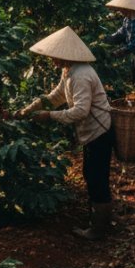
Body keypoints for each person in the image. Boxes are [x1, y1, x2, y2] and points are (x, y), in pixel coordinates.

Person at [16, 26, 115, 240]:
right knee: (91, 175)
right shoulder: (69, 70)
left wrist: (49, 116)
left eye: (55, 57)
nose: (53, 61)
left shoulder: (81, 75)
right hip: (91, 133)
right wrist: (28, 110)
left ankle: (99, 229)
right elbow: (56, 96)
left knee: (97, 178)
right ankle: (98, 221)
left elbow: (80, 111)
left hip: (99, 132)